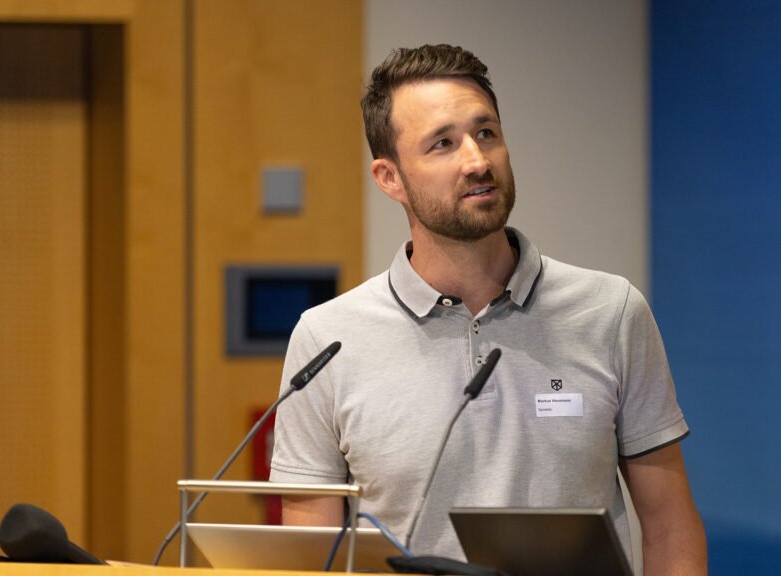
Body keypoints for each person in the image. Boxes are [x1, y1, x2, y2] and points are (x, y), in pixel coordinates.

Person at [269, 44, 707, 574]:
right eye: (442, 144)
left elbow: (668, 525)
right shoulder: (326, 339)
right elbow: (308, 556)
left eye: (486, 133)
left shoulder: (611, 312)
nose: (477, 161)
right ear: (390, 178)